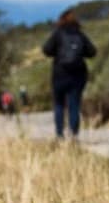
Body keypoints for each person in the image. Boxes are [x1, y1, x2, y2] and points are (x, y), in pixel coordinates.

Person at [41, 9, 97, 139]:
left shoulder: (58, 34)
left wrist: (57, 53)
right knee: (74, 104)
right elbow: (92, 52)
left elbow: (46, 49)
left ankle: (59, 134)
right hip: (77, 75)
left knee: (59, 104)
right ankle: (74, 134)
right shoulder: (80, 35)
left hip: (60, 74)